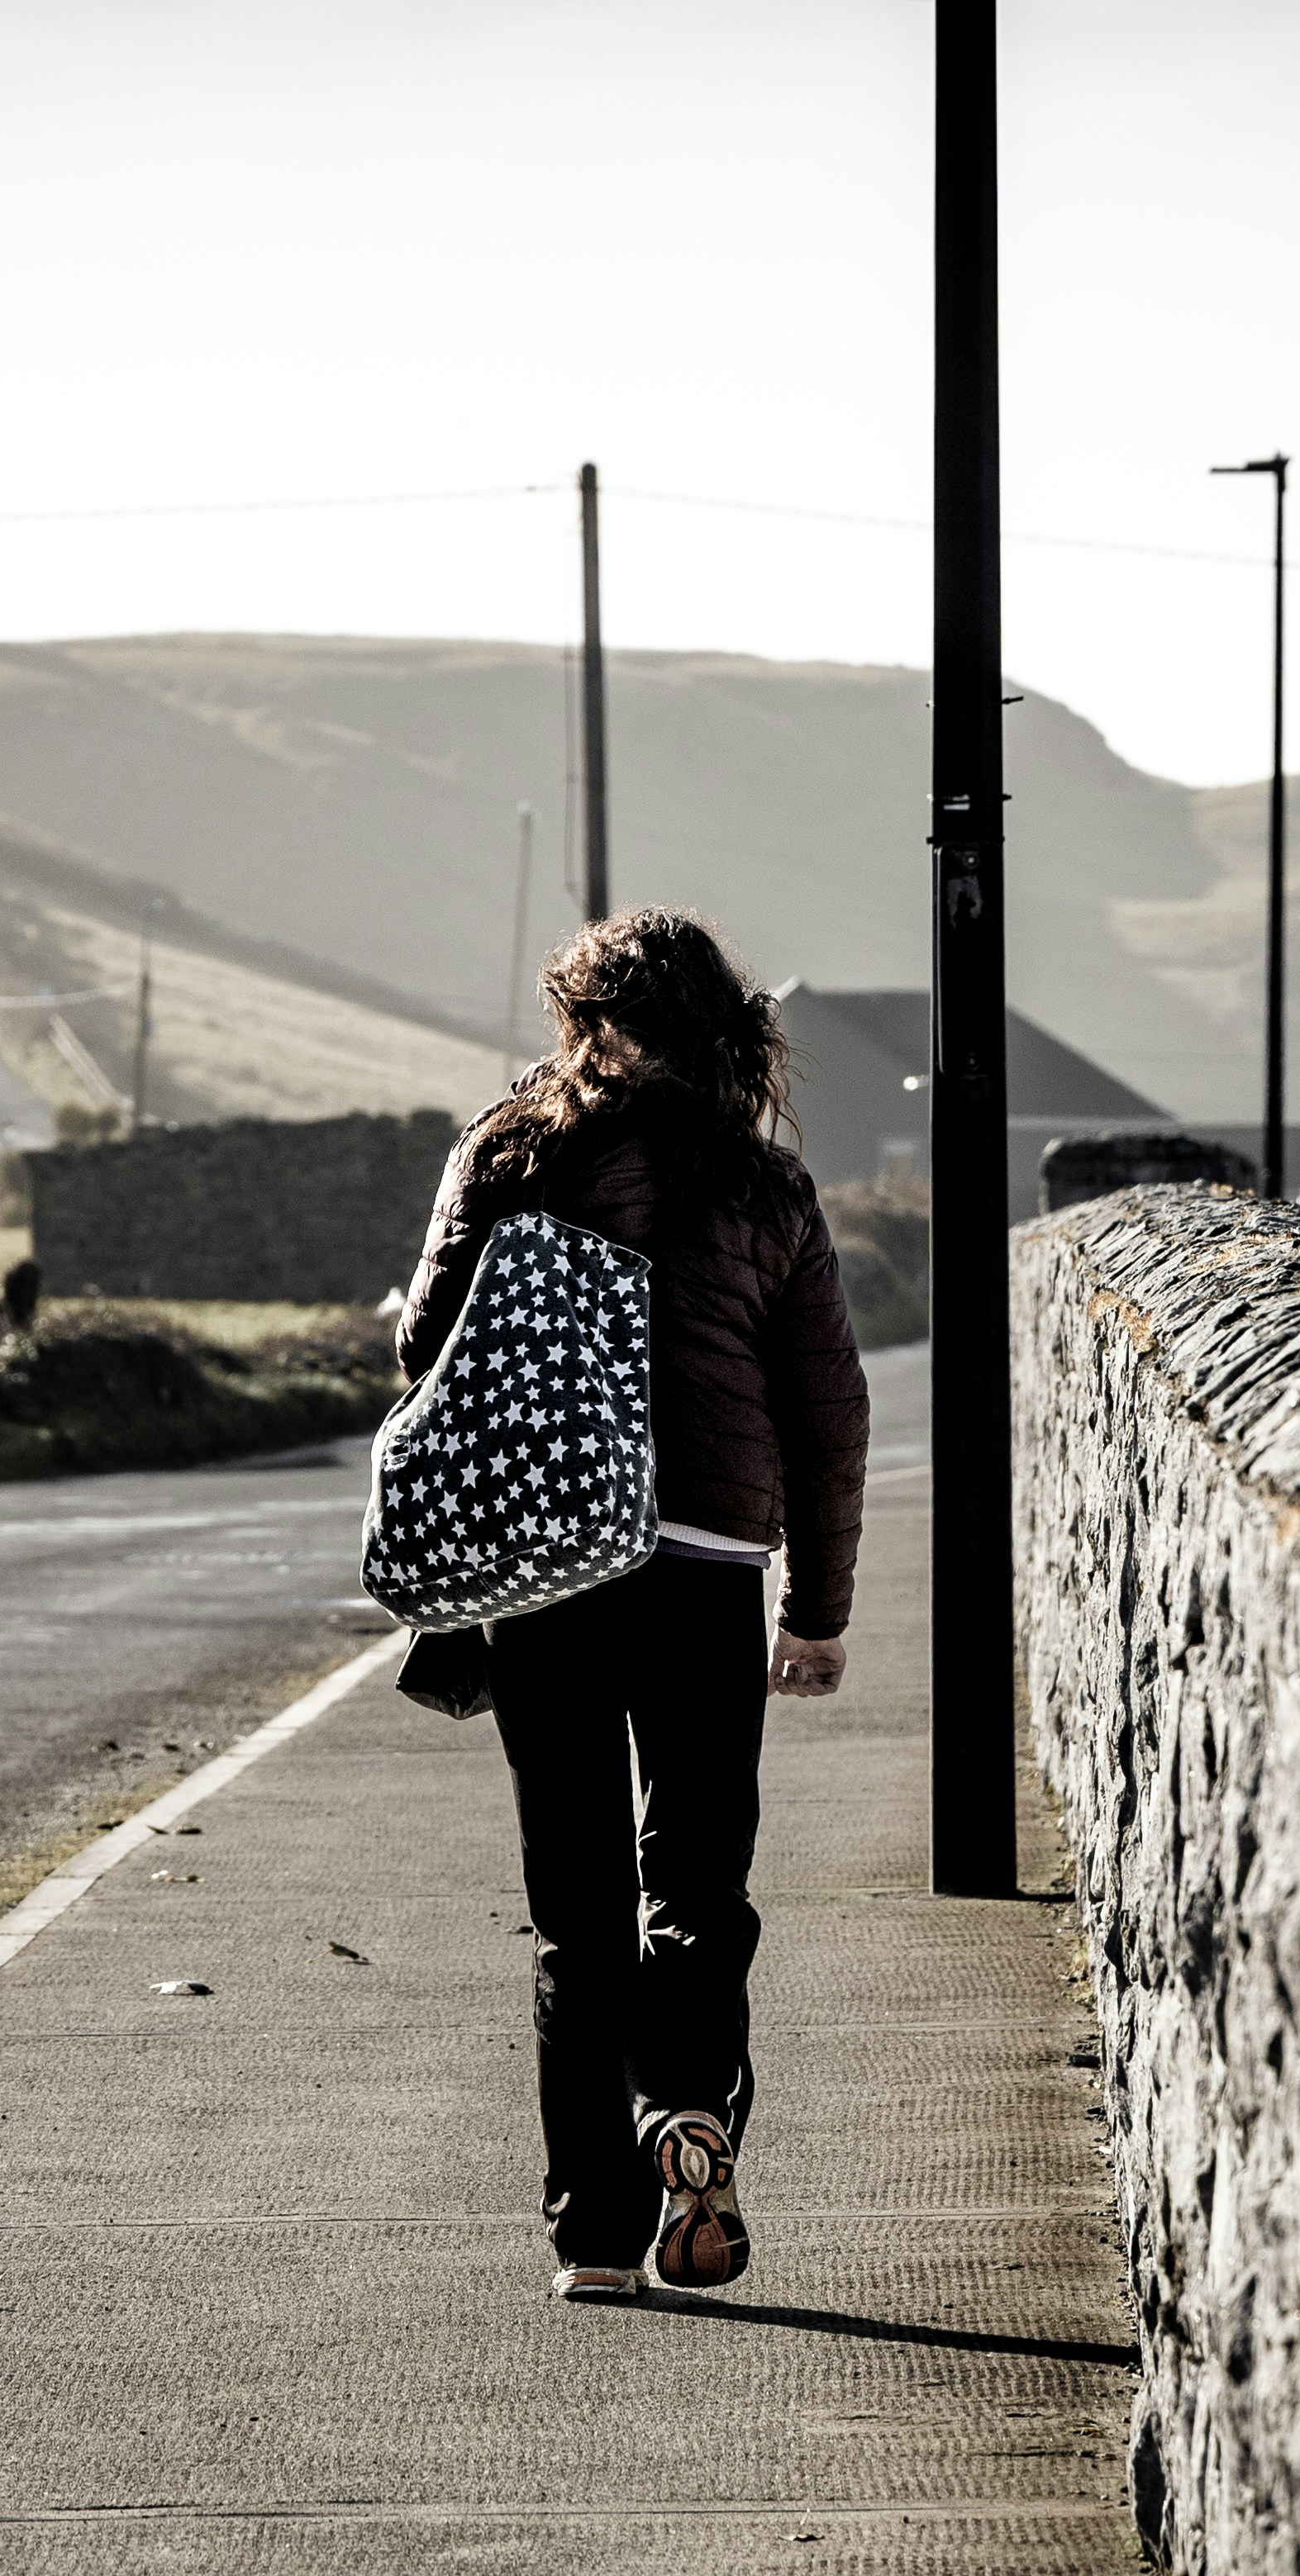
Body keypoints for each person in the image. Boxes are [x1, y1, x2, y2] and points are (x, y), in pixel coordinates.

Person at [393, 908, 869, 2302]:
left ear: (581, 1021)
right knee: (700, 1882)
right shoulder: (766, 1186)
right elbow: (827, 1409)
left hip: (549, 1560)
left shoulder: (510, 1152)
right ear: (724, 1030)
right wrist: (818, 1609)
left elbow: (426, 1342)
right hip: (709, 1563)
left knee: (578, 1911)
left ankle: (597, 2237)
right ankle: (689, 2107)